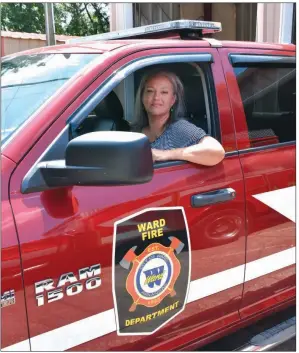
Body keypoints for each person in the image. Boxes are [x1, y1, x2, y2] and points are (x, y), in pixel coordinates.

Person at [133, 70, 225, 166]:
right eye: (150, 91)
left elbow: (217, 151)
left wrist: (165, 154)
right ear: (142, 97)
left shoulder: (179, 128)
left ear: (173, 100)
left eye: (164, 92)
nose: (156, 97)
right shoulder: (135, 132)